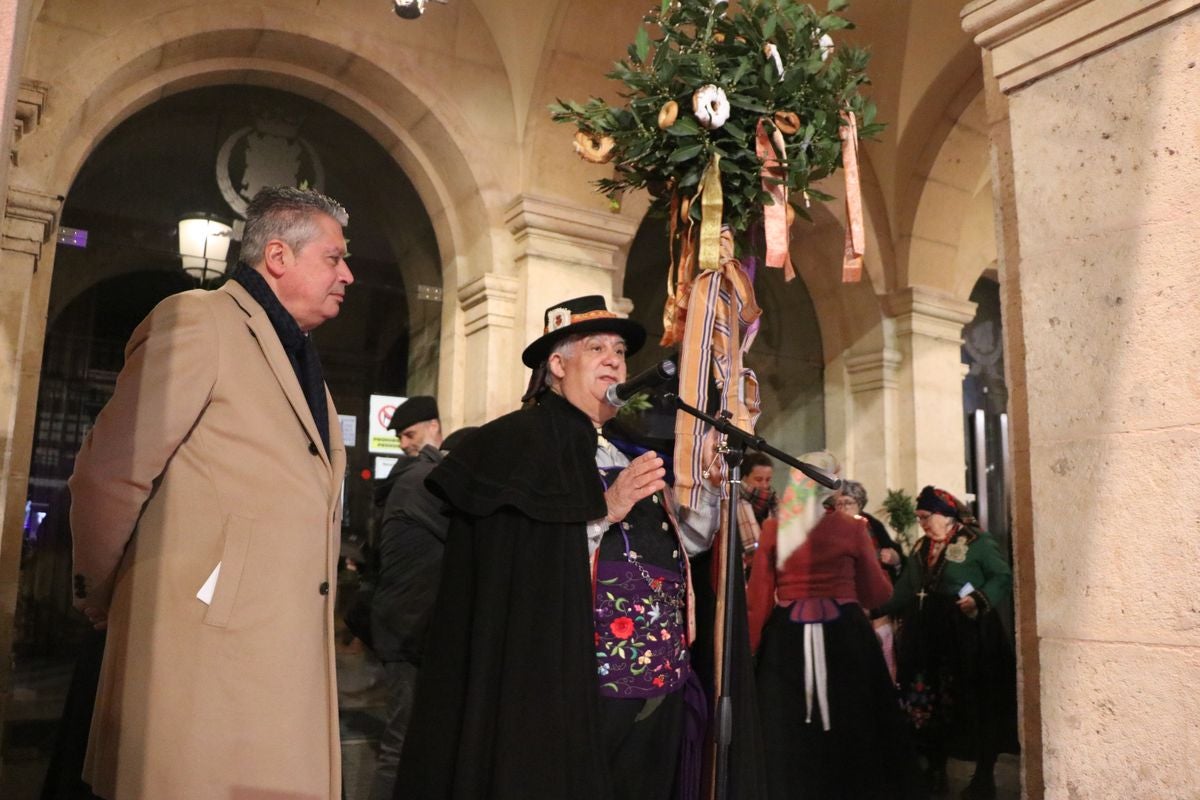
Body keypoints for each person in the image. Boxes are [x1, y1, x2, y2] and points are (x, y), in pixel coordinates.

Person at [395, 295, 764, 800]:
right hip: (574, 687)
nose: (614, 358)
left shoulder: (630, 447)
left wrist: (713, 489)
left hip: (659, 686)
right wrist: (604, 508)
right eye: (596, 347)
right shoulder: (513, 444)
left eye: (619, 350)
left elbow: (682, 546)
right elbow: (516, 558)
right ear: (556, 364)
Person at [69, 186, 353, 799]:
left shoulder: (300, 355)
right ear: (278, 256)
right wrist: (101, 591)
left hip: (274, 653)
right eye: (334, 258)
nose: (348, 274)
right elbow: (112, 471)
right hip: (203, 653)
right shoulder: (198, 319)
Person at [746, 467, 920, 800]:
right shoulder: (852, 529)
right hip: (845, 634)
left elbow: (758, 599)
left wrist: (753, 647)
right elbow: (876, 593)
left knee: (789, 725)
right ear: (830, 488)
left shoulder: (772, 529)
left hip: (788, 638)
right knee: (854, 720)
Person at [877, 485, 1019, 799]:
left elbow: (1002, 576)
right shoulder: (919, 548)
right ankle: (936, 770)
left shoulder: (977, 543)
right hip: (929, 636)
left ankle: (984, 776)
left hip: (969, 634)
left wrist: (980, 599)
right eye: (920, 518)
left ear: (946, 514)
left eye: (927, 517)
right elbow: (903, 590)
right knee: (929, 703)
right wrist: (873, 608)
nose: (923, 523)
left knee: (977, 700)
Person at [367, 395, 469, 800]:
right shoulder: (418, 480)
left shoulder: (418, 477)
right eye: (401, 437)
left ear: (434, 426)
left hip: (411, 627)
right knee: (401, 743)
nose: (405, 443)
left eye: (409, 434)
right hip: (408, 630)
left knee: (416, 739)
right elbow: (464, 537)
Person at [834, 479, 904, 681]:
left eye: (849, 503)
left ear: (859, 505)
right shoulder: (829, 526)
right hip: (845, 601)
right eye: (840, 503)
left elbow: (896, 555)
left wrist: (894, 558)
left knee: (884, 649)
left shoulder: (872, 525)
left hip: (876, 604)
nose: (844, 507)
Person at [736, 452, 776, 573]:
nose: (764, 485)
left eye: (768, 480)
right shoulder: (732, 503)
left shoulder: (774, 503)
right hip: (743, 573)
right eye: (758, 479)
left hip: (769, 571)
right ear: (744, 477)